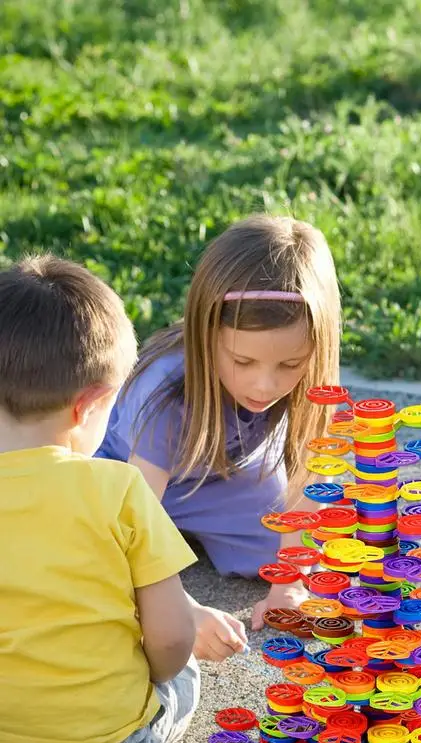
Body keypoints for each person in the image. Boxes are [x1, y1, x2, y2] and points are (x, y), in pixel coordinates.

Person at [96, 214, 341, 662]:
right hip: (128, 481)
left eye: (289, 365)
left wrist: (289, 586)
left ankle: (191, 538)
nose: (264, 386)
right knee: (95, 559)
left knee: (302, 552)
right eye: (242, 361)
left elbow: (310, 478)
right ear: (206, 334)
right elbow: (134, 518)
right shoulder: (165, 391)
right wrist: (181, 610)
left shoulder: (313, 382)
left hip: (218, 479)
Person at [0, 256, 199, 743]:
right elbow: (174, 636)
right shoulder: (117, 487)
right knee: (184, 676)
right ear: (87, 407)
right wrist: (154, 679)